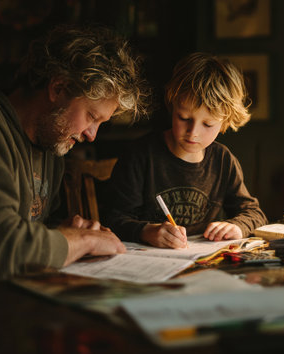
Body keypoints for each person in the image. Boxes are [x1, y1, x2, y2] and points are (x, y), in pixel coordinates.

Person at [0, 24, 151, 280]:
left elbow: (36, 231)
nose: (92, 135)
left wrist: (65, 231)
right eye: (91, 116)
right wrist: (84, 240)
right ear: (58, 88)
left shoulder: (52, 147)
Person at [101, 52, 267, 249]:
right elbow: (113, 219)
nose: (193, 133)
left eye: (208, 124)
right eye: (184, 118)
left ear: (224, 123)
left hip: (200, 262)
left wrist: (237, 226)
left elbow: (255, 214)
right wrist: (146, 231)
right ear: (172, 106)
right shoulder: (141, 156)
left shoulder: (222, 160)